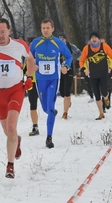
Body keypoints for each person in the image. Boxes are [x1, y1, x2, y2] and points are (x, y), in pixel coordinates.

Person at [0, 18, 35, 178]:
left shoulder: (19, 45)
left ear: (9, 31)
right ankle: (16, 140)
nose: (0, 35)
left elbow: (30, 59)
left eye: (3, 32)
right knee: (7, 130)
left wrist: (29, 77)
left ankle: (10, 166)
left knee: (11, 126)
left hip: (16, 89)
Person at [30, 18, 72, 148]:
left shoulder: (58, 42)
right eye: (43, 28)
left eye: (48, 28)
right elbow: (28, 57)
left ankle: (49, 137)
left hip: (54, 78)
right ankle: (52, 112)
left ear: (52, 28)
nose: (46, 30)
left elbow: (69, 56)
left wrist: (66, 66)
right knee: (45, 108)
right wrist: (32, 65)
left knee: (50, 105)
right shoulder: (35, 43)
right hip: (40, 79)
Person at [79, 31, 112, 120]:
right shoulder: (86, 48)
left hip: (103, 73)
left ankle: (106, 99)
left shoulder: (104, 46)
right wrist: (85, 69)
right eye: (92, 38)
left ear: (98, 39)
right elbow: (82, 61)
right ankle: (101, 113)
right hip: (93, 74)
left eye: (96, 37)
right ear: (90, 39)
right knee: (97, 95)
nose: (94, 39)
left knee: (104, 92)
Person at [58, 33, 82, 119]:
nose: (61, 41)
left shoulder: (70, 46)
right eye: (60, 39)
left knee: (67, 90)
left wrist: (78, 61)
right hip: (59, 71)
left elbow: (80, 53)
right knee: (62, 92)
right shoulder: (56, 47)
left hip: (69, 70)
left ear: (65, 39)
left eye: (63, 39)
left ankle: (65, 113)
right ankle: (68, 101)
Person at [25, 37, 40, 136]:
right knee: (32, 105)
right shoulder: (26, 57)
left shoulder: (41, 55)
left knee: (46, 103)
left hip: (42, 82)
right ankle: (35, 126)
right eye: (30, 45)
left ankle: (51, 110)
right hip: (31, 83)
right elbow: (22, 69)